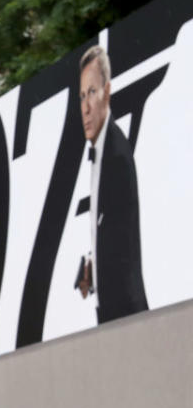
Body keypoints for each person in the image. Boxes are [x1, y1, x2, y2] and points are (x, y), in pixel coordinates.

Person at [74, 45, 148, 323]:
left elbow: (122, 250)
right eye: (82, 96)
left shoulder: (116, 154)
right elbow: (108, 229)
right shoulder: (100, 152)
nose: (85, 107)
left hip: (125, 310)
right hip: (112, 310)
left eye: (92, 92)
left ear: (107, 91)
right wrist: (91, 267)